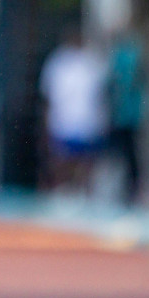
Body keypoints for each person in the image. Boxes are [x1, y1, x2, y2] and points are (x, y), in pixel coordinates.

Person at [38, 27, 109, 193]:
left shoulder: (92, 61)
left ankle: (84, 197)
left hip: (87, 122)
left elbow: (101, 95)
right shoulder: (58, 62)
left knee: (86, 164)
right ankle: (61, 194)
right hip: (63, 121)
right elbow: (48, 96)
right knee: (61, 162)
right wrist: (47, 123)